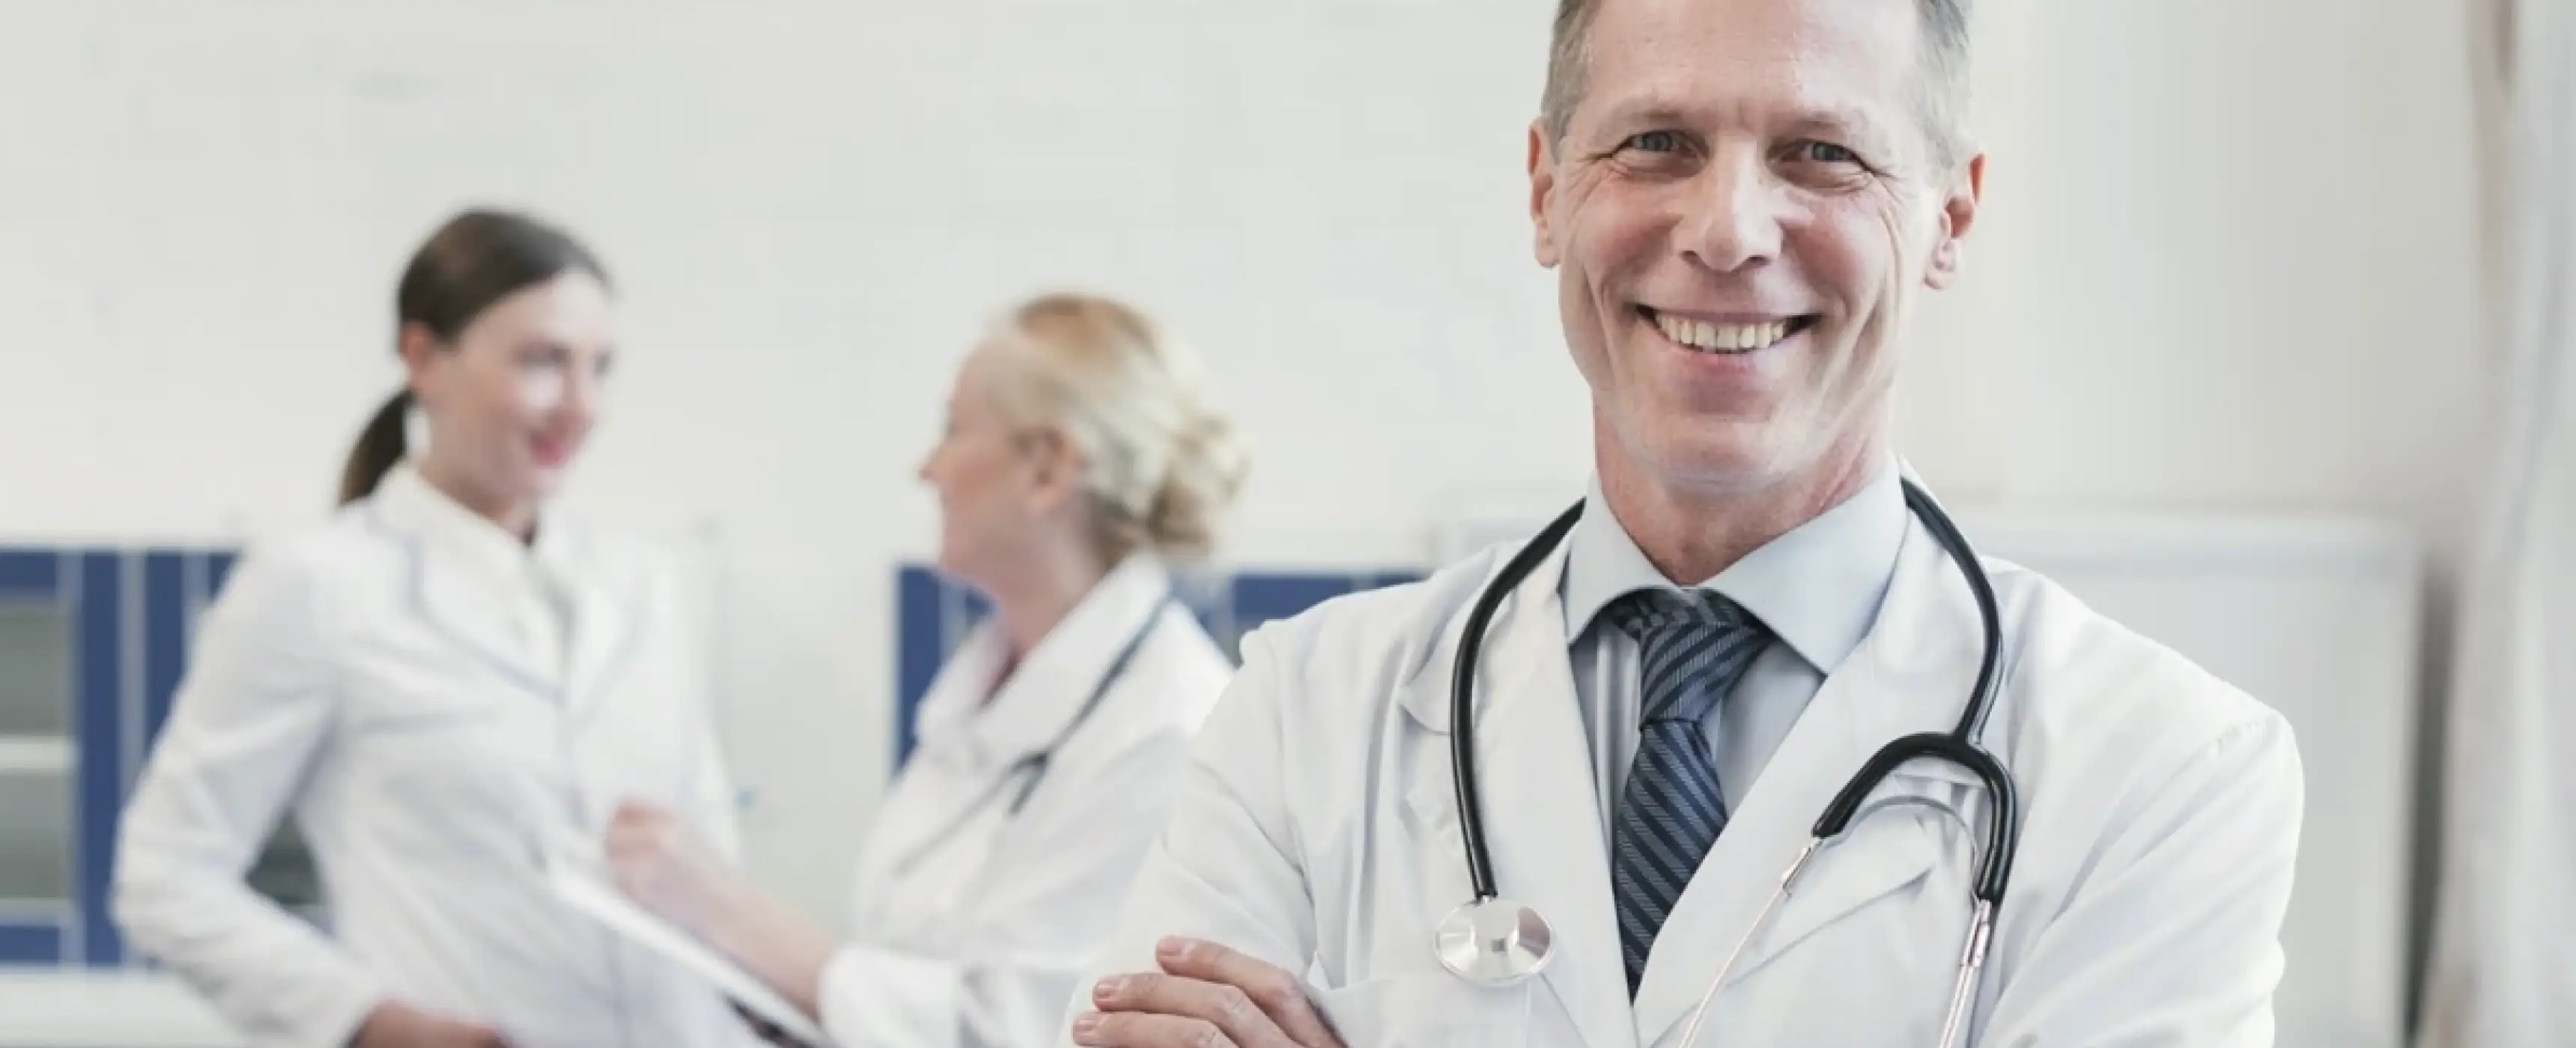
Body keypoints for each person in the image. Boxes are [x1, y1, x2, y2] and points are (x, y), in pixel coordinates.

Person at [1060, 1, 2306, 1046]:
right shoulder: (1305, 716)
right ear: (1547, 193)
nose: (1725, 232)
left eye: (1824, 153)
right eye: (1656, 141)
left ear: (1951, 221)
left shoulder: (2165, 774)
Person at [113, 209, 763, 1048]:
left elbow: (707, 853)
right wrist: (371, 1021)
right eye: (540, 361)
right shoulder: (320, 585)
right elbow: (164, 875)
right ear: (422, 357)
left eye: (599, 367)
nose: (580, 405)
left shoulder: (645, 583)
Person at [601, 292, 1248, 1048]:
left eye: (951, 430)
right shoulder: (980, 689)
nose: (925, 468)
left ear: (1047, 469)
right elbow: (903, 961)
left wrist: (723, 908)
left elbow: (1026, 1028)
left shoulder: (1170, 730)